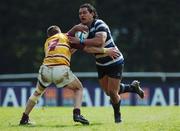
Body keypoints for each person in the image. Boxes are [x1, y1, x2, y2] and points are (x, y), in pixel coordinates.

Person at [19, 25, 119, 126]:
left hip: (45, 69)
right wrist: (106, 50)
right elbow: (87, 48)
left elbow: (68, 51)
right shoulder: (64, 36)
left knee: (37, 93)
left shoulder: (48, 42)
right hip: (60, 69)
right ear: (59, 32)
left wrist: (76, 41)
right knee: (78, 88)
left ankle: (24, 118)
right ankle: (77, 114)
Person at [68, 3, 144, 123]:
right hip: (101, 64)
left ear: (92, 14)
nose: (82, 15)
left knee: (113, 92)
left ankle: (117, 117)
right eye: (80, 13)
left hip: (114, 61)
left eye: (84, 12)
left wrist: (81, 41)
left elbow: (100, 41)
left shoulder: (99, 23)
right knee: (108, 92)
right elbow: (82, 47)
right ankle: (132, 88)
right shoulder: (82, 28)